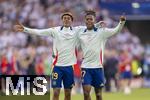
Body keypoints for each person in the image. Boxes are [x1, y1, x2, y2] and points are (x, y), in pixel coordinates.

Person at [14, 11, 103, 100]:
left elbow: (89, 26)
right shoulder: (55, 30)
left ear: (71, 21)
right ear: (62, 20)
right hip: (57, 67)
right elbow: (40, 32)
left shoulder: (77, 30)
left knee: (68, 94)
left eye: (68, 18)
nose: (66, 20)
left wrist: (98, 24)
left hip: (69, 67)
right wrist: (25, 29)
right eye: (64, 18)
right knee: (56, 92)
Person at [78, 10, 126, 100]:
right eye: (87, 19)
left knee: (99, 95)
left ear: (94, 20)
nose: (89, 21)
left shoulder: (102, 32)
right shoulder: (80, 32)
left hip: (98, 68)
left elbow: (115, 31)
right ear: (85, 20)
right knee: (86, 92)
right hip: (85, 67)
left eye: (91, 19)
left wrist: (121, 22)